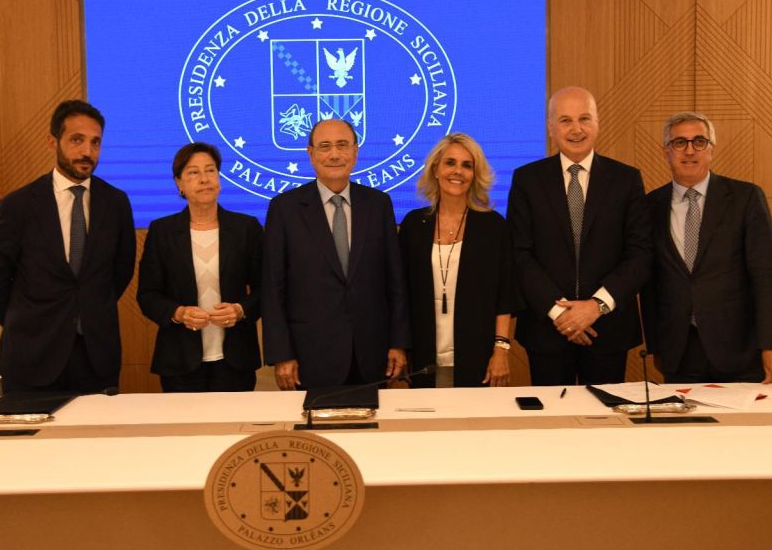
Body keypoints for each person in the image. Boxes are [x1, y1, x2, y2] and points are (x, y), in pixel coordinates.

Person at [0, 100, 136, 394]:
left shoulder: (116, 203)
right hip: (31, 354)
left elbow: (121, 270)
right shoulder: (18, 206)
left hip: (95, 357)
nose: (87, 151)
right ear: (53, 142)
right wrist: (24, 320)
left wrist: (89, 307)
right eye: (77, 140)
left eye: (95, 142)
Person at [640, 112, 772, 388]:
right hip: (679, 352)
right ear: (666, 151)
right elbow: (649, 284)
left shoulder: (746, 198)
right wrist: (656, 346)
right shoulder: (649, 206)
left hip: (739, 350)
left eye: (699, 141)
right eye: (679, 142)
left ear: (711, 148)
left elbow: (767, 277)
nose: (690, 150)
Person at [507, 86, 652, 385]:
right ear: (551, 128)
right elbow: (519, 254)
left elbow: (640, 254)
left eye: (584, 119)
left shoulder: (626, 179)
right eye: (565, 120)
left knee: (605, 415)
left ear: (597, 123)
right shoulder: (527, 180)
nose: (576, 129)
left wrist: (596, 306)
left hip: (607, 329)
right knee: (551, 414)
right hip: (547, 330)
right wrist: (559, 313)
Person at [261, 119, 410, 390]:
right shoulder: (285, 208)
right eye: (325, 146)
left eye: (342, 145)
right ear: (311, 154)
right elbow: (273, 288)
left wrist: (398, 343)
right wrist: (281, 354)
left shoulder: (378, 204)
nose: (334, 154)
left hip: (372, 355)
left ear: (355, 151)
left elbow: (395, 281)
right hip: (309, 357)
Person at [136, 142, 263, 392]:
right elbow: (148, 295)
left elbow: (265, 289)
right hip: (179, 360)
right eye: (193, 173)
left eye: (210, 170)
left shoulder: (246, 228)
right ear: (179, 183)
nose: (204, 179)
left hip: (235, 359)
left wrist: (240, 310)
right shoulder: (162, 231)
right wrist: (179, 313)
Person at [399, 133, 513, 388]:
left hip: (478, 354)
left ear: (475, 174)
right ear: (436, 169)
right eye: (450, 163)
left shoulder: (493, 227)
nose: (458, 171)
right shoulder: (413, 225)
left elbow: (504, 296)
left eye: (467, 165)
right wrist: (400, 346)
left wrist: (501, 349)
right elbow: (400, 293)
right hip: (422, 353)